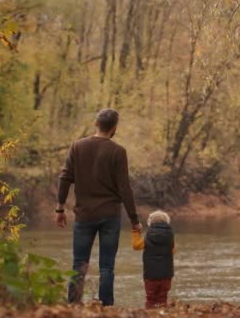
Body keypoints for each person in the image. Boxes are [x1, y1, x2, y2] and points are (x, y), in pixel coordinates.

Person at [55, 108, 142, 306]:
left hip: (84, 215)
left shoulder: (77, 146)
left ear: (96, 123)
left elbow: (65, 178)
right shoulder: (118, 151)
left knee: (79, 263)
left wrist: (60, 208)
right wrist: (135, 220)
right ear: (114, 128)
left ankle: (73, 305)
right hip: (110, 215)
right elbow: (124, 188)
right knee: (107, 267)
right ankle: (106, 307)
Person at [132, 210, 176, 309]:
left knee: (150, 299)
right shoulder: (170, 236)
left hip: (150, 275)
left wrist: (135, 232)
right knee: (163, 298)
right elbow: (173, 251)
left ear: (150, 222)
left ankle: (149, 314)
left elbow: (135, 246)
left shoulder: (147, 237)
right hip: (166, 275)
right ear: (167, 222)